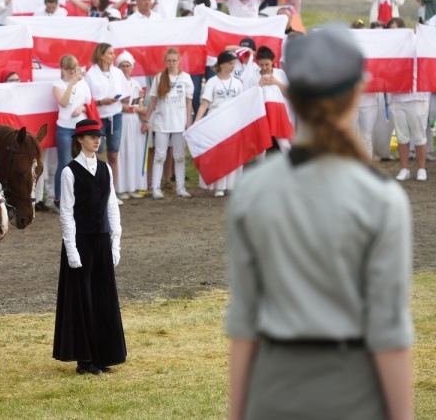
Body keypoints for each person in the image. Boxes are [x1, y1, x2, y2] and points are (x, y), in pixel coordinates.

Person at [226, 26, 414, 420]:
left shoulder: (253, 190)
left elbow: (243, 324)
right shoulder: (381, 198)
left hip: (273, 393)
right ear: (356, 93)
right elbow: (389, 332)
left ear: (291, 96)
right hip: (354, 395)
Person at [53, 118, 126, 376]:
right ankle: (84, 360)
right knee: (82, 298)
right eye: (92, 136)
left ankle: (102, 354)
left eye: (99, 136)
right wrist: (71, 248)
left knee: (103, 299)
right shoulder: (69, 171)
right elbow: (66, 212)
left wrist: (115, 241)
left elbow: (111, 205)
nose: (97, 140)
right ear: (80, 140)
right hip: (81, 240)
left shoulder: (106, 169)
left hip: (101, 239)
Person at [145, 48, 193, 199]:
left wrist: (188, 121)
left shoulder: (186, 78)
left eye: (174, 60)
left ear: (179, 61)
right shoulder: (159, 78)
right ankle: (156, 187)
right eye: (169, 61)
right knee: (160, 155)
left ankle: (180, 187)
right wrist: (146, 119)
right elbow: (153, 100)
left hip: (180, 122)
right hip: (162, 121)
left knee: (179, 156)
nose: (171, 63)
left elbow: (188, 102)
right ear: (165, 62)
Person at [194, 51, 244, 196]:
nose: (232, 66)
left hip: (233, 120)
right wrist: (197, 122)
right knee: (219, 152)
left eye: (234, 63)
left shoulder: (237, 82)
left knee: (232, 153)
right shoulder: (212, 82)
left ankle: (232, 185)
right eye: (230, 63)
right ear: (221, 64)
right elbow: (204, 104)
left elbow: (241, 103)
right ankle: (219, 186)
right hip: (216, 119)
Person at [86, 42, 130, 197]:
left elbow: (127, 94)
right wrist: (100, 102)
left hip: (115, 115)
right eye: (110, 53)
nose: (113, 56)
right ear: (101, 55)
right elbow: (87, 99)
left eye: (113, 53)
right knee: (97, 154)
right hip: (99, 117)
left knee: (113, 154)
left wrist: (122, 98)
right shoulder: (91, 74)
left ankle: (111, 192)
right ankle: (96, 191)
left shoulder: (117, 73)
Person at [51, 54, 92, 207]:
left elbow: (89, 102)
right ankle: (60, 198)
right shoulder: (57, 84)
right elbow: (63, 102)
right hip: (65, 127)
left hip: (81, 127)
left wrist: (82, 107)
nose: (72, 72)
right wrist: (70, 85)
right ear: (62, 69)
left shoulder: (83, 83)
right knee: (65, 163)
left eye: (74, 69)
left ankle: (80, 195)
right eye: (68, 70)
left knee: (83, 162)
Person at [115, 52, 146, 198]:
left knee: (134, 152)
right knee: (122, 152)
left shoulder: (136, 84)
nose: (125, 68)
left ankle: (133, 187)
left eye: (127, 66)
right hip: (122, 120)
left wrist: (144, 120)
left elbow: (140, 104)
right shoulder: (116, 84)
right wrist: (136, 108)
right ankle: (121, 188)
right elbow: (120, 106)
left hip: (135, 121)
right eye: (122, 66)